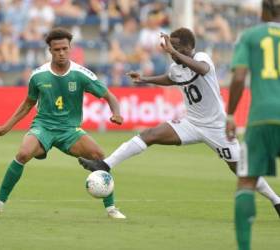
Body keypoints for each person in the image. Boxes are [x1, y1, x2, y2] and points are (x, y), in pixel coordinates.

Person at [78, 27, 280, 217]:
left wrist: (174, 51)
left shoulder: (201, 57)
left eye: (176, 47)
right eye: (170, 47)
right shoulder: (176, 67)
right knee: (150, 135)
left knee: (240, 169)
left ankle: (276, 200)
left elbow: (202, 69)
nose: (172, 52)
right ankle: (104, 165)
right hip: (191, 124)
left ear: (189, 48)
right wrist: (145, 79)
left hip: (217, 128)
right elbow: (170, 78)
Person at [0, 27, 126, 219]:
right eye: (57, 50)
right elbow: (27, 104)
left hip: (70, 131)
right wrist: (5, 128)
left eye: (65, 48)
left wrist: (116, 113)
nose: (61, 53)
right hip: (43, 127)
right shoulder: (38, 75)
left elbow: (110, 96)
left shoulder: (81, 74)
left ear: (70, 48)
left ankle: (111, 208)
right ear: (50, 50)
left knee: (98, 155)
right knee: (23, 154)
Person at [226, 0, 280, 249]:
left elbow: (238, 77)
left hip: (260, 118)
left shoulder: (251, 35)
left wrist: (230, 114)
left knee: (246, 181)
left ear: (263, 11)